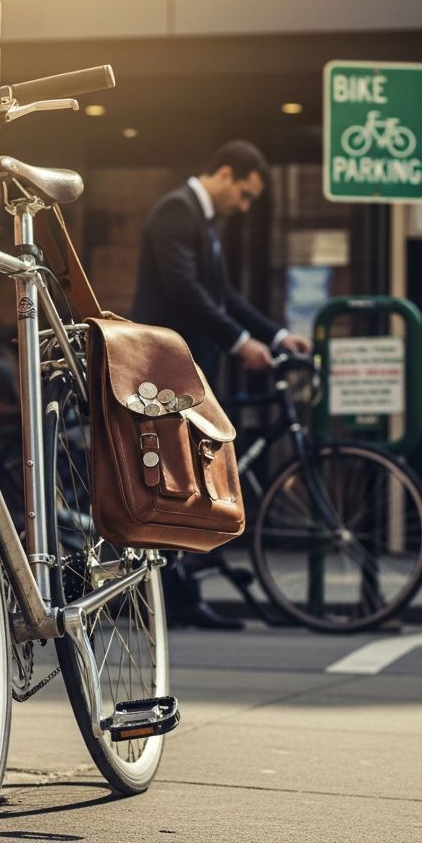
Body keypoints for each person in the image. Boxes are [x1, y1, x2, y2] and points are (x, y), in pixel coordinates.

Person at [131, 140, 312, 628]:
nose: (245, 206)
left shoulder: (205, 221)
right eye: (245, 194)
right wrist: (240, 343)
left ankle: (182, 594)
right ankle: (173, 595)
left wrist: (275, 335)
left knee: (190, 476)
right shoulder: (176, 212)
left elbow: (223, 294)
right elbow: (184, 293)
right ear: (226, 173)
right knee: (173, 480)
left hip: (186, 368)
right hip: (164, 368)